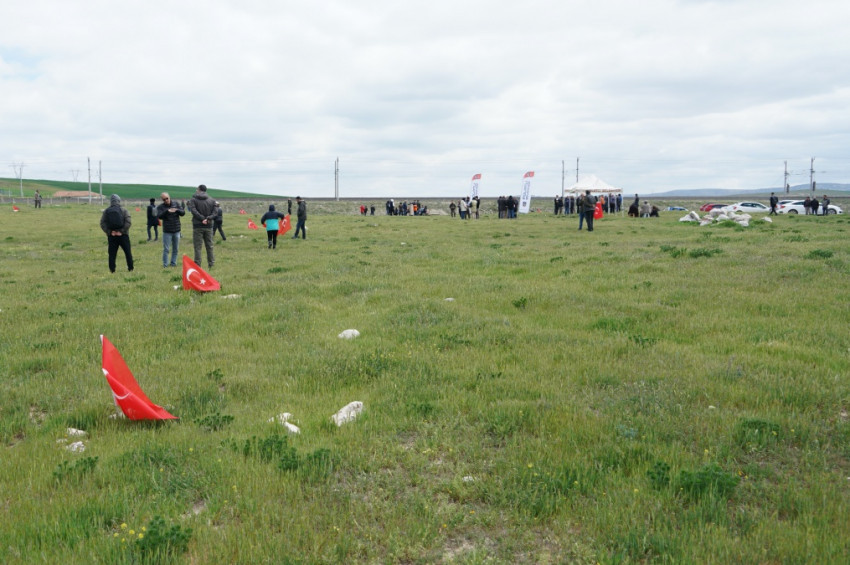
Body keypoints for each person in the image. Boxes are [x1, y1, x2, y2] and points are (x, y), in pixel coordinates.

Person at [100, 194, 134, 273]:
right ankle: (130, 268)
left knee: (112, 254)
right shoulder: (124, 210)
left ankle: (112, 270)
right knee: (128, 252)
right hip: (123, 235)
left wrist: (110, 232)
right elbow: (128, 222)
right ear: (119, 200)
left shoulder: (106, 211)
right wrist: (121, 231)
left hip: (112, 236)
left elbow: (102, 223)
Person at [187, 184, 216, 269]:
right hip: (209, 225)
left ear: (199, 190)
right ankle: (211, 264)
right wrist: (208, 219)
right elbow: (215, 212)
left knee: (198, 247)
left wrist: (202, 218)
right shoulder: (212, 200)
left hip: (197, 226)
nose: (196, 190)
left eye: (197, 189)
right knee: (209, 246)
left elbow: (193, 210)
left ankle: (197, 266)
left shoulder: (193, 200)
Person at [157, 192, 185, 267]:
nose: (166, 200)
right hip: (167, 231)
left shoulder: (176, 204)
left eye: (167, 198)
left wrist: (176, 210)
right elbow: (159, 216)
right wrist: (167, 211)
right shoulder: (160, 207)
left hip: (177, 230)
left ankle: (173, 263)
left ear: (169, 197)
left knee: (175, 249)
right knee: (166, 249)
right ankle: (165, 265)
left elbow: (183, 213)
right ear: (162, 200)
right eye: (164, 199)